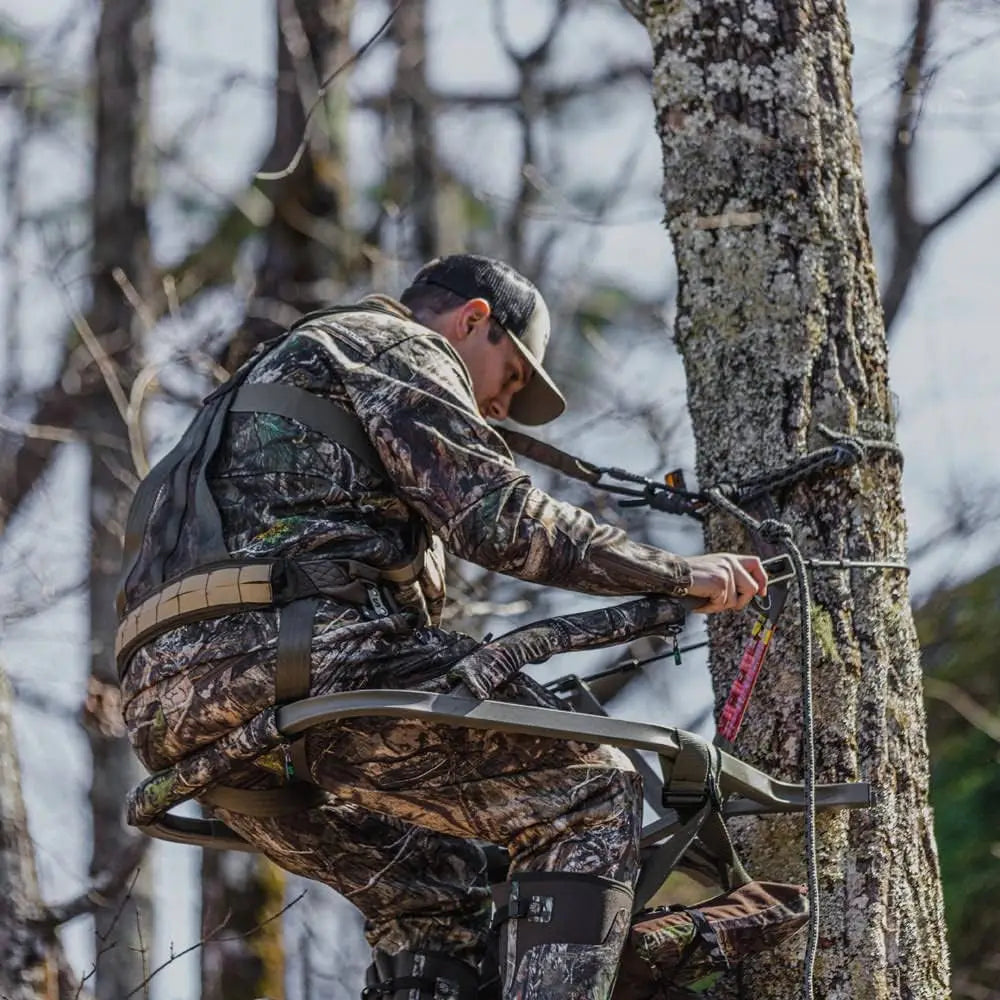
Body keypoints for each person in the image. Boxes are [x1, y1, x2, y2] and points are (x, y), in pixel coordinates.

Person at [116, 254, 766, 1000]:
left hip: (177, 720)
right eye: (511, 378)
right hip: (296, 665)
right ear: (474, 321)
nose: (496, 408)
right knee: (588, 788)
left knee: (432, 895)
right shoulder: (398, 347)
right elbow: (501, 521)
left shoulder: (265, 388)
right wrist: (683, 573)